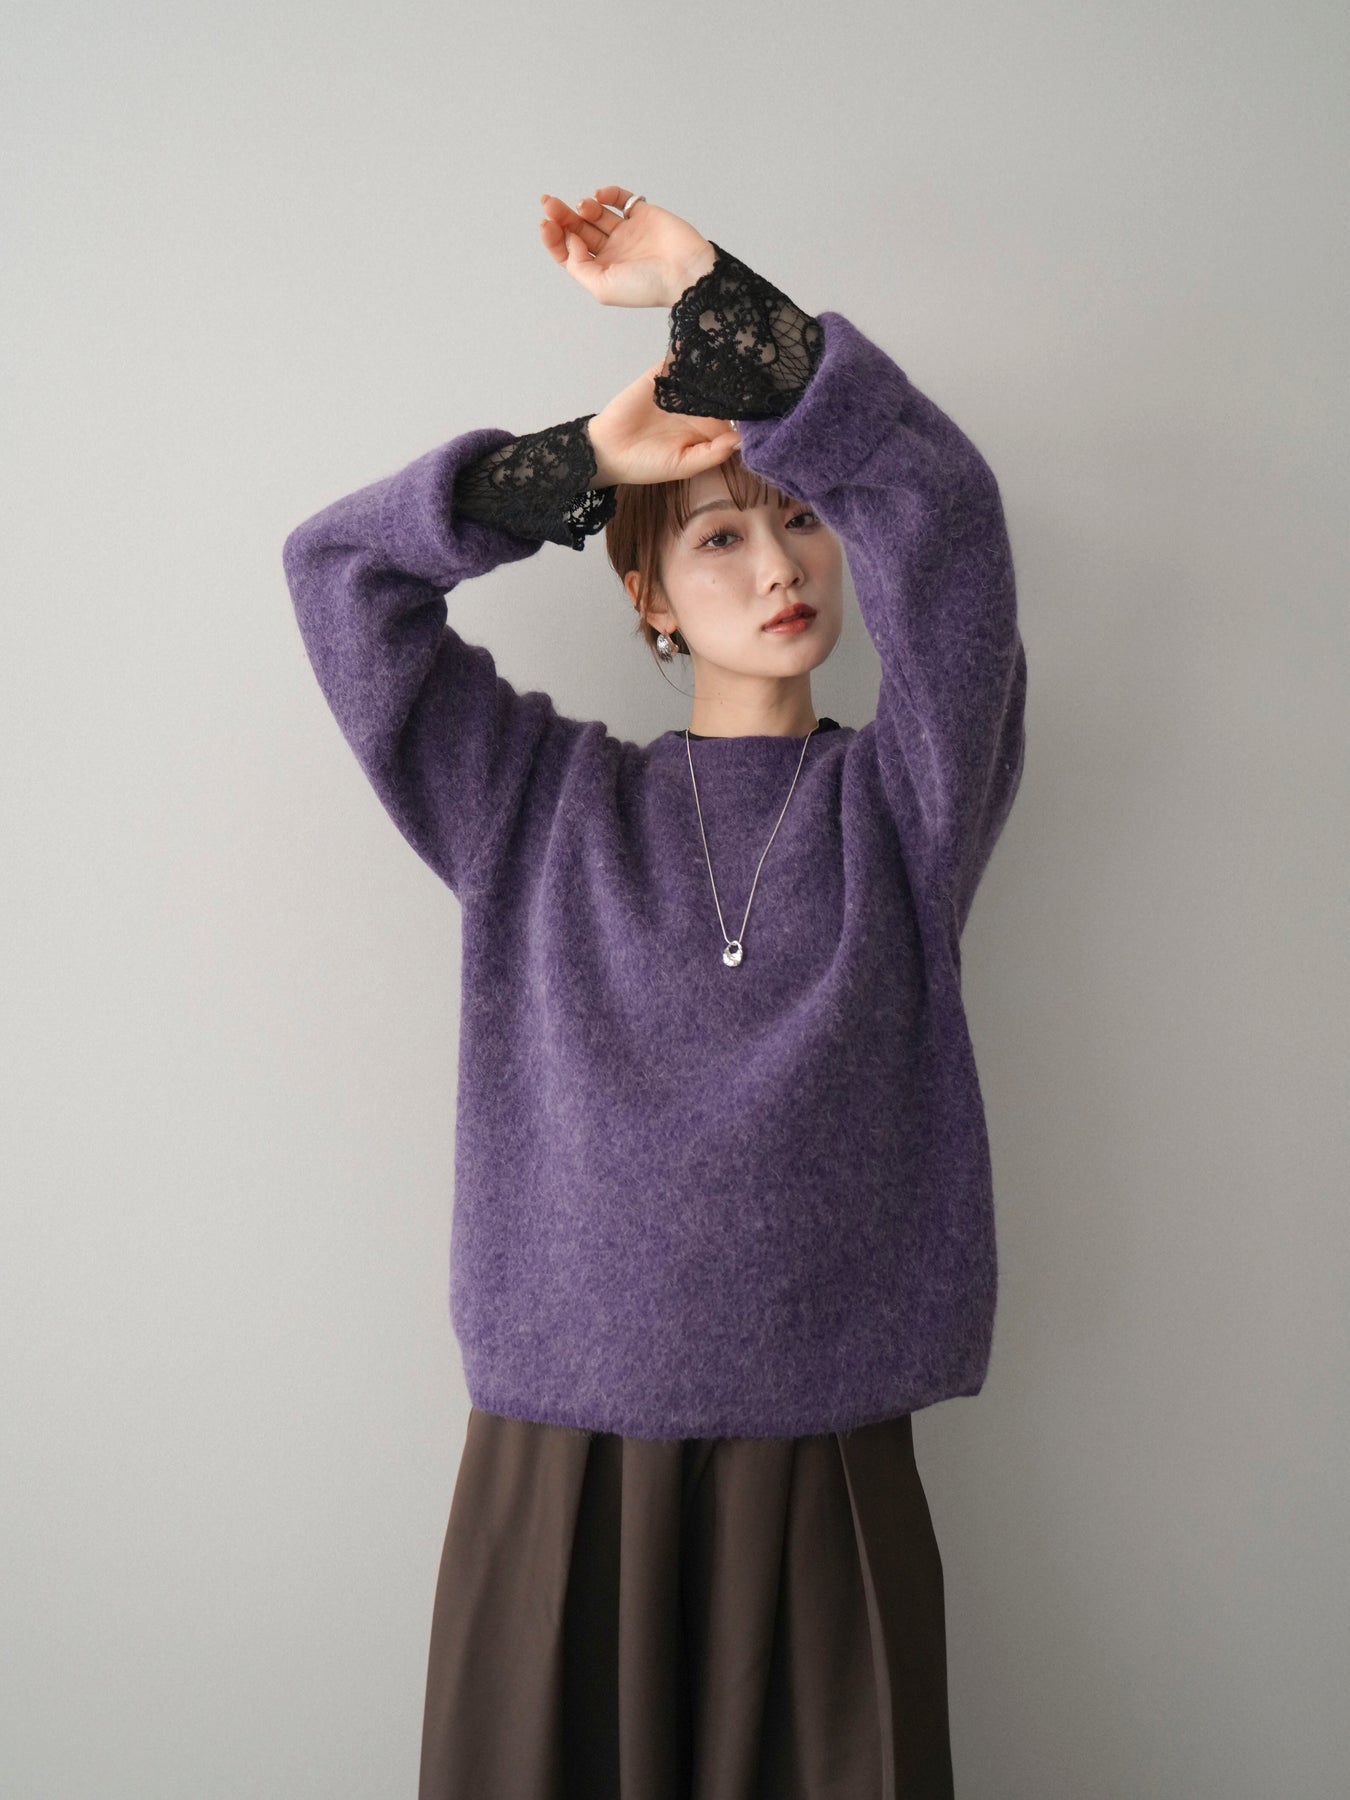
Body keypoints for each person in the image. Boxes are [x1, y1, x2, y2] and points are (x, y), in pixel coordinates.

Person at [282, 184, 1027, 1799]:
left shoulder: (904, 805)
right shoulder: (536, 808)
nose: (780, 565)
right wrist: (572, 468)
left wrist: (706, 288)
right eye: (718, 535)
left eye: (802, 520)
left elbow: (951, 525)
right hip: (557, 1458)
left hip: (823, 1452)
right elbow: (339, 577)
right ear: (648, 594)